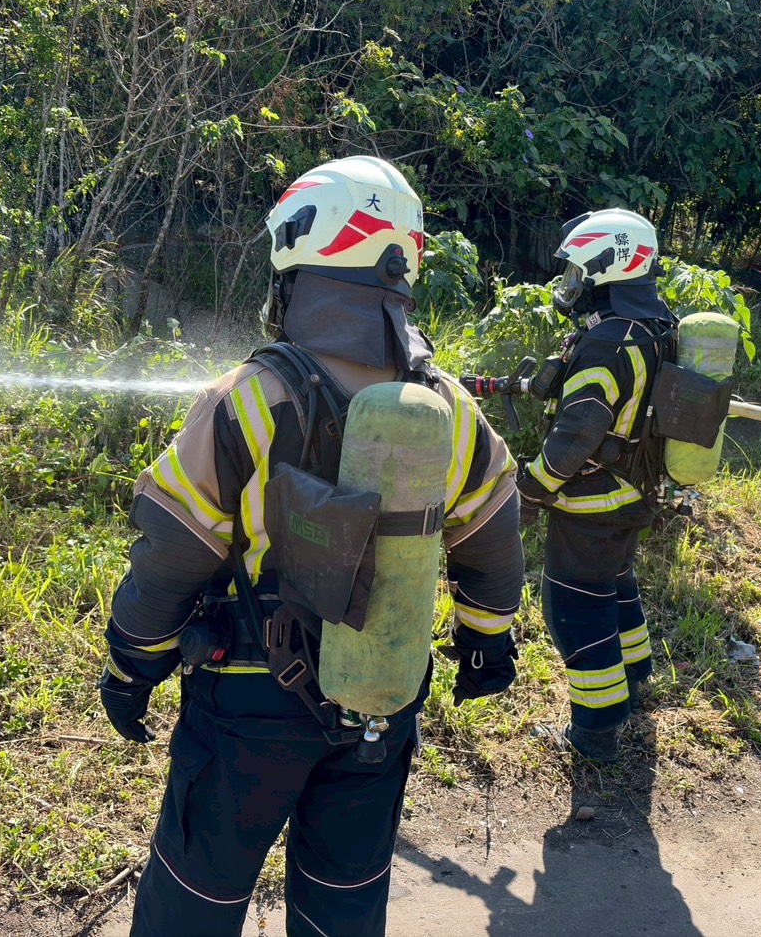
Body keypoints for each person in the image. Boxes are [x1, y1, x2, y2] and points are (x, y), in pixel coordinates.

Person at [97, 155, 525, 937]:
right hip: (380, 700)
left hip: (248, 703)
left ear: (299, 254)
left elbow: (172, 553)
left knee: (194, 900)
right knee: (345, 902)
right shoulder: (447, 407)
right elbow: (494, 544)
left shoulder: (251, 397)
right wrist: (487, 644)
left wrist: (132, 663)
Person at [516, 208, 676, 763]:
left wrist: (533, 488)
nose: (572, 284)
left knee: (575, 607)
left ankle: (596, 730)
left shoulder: (608, 341)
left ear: (607, 266)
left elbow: (579, 429)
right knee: (615, 585)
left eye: (579, 272)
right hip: (633, 493)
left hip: (591, 501)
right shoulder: (653, 326)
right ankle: (635, 676)